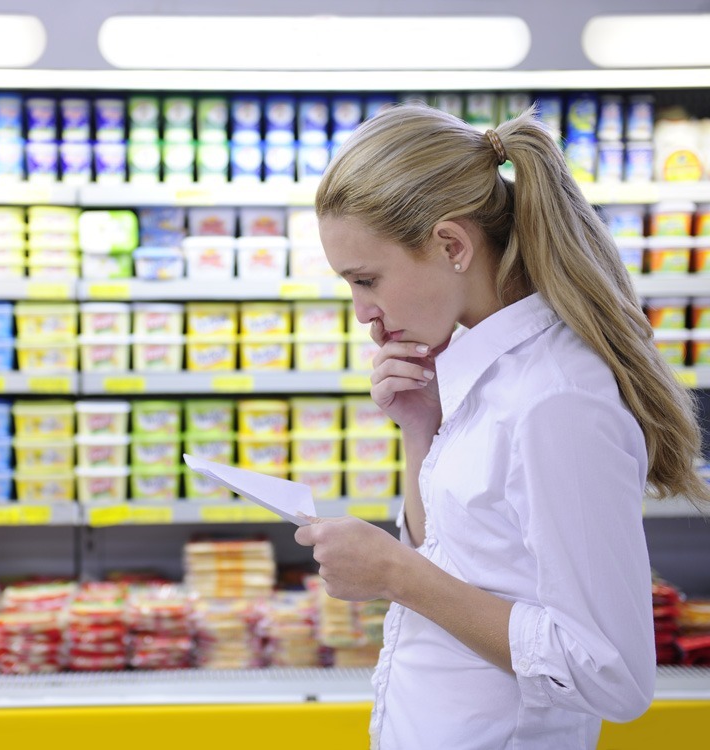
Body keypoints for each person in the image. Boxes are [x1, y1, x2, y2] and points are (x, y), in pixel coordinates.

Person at [294, 103, 710, 749]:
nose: (363, 314)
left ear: (453, 244)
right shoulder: (487, 373)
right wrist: (420, 430)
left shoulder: (557, 400)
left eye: (367, 280)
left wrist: (397, 575)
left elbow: (613, 675)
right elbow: (460, 555)